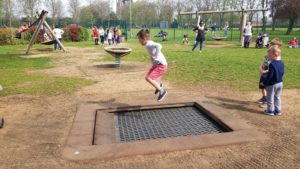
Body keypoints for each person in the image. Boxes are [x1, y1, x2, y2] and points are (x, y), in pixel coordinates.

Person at [136, 29, 168, 102]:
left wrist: (156, 56)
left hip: (161, 65)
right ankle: (159, 85)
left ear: (144, 39)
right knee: (150, 76)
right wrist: (153, 58)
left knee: (148, 78)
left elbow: (159, 45)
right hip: (158, 65)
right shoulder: (148, 44)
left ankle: (162, 91)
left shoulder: (149, 44)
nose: (139, 41)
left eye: (139, 39)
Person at [257, 39, 283, 105]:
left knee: (268, 86)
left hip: (269, 70)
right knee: (262, 85)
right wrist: (261, 66)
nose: (270, 46)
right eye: (271, 44)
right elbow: (265, 61)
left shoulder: (276, 55)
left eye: (272, 45)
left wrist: (264, 71)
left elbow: (274, 67)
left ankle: (268, 101)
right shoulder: (269, 52)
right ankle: (264, 97)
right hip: (265, 68)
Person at [261, 45, 284, 116]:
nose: (268, 56)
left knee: (270, 97)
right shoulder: (281, 62)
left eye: (269, 55)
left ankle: (270, 111)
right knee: (277, 97)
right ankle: (278, 110)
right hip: (280, 83)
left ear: (274, 55)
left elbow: (270, 76)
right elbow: (282, 72)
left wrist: (264, 82)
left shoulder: (272, 64)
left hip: (272, 84)